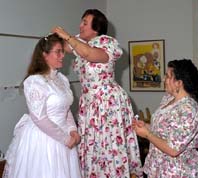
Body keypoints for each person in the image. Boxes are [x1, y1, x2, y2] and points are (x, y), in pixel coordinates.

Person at [52, 9, 143, 178]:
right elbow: (62, 46)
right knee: (94, 148)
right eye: (81, 21)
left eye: (85, 23)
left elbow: (89, 53)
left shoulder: (107, 43)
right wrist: (50, 40)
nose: (80, 25)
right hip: (89, 104)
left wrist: (67, 36)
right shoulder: (79, 43)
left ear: (96, 28)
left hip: (107, 102)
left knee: (109, 146)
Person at [3, 33, 82, 178]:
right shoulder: (34, 82)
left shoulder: (62, 79)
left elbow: (66, 109)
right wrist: (65, 139)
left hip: (65, 137)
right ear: (45, 55)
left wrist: (72, 130)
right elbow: (40, 118)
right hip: (43, 139)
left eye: (62, 51)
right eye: (58, 51)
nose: (63, 55)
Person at [132, 59, 198, 177]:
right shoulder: (168, 99)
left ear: (179, 83)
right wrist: (146, 126)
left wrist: (147, 134)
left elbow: (173, 149)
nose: (164, 79)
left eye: (168, 76)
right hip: (159, 167)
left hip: (178, 171)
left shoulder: (190, 111)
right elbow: (165, 129)